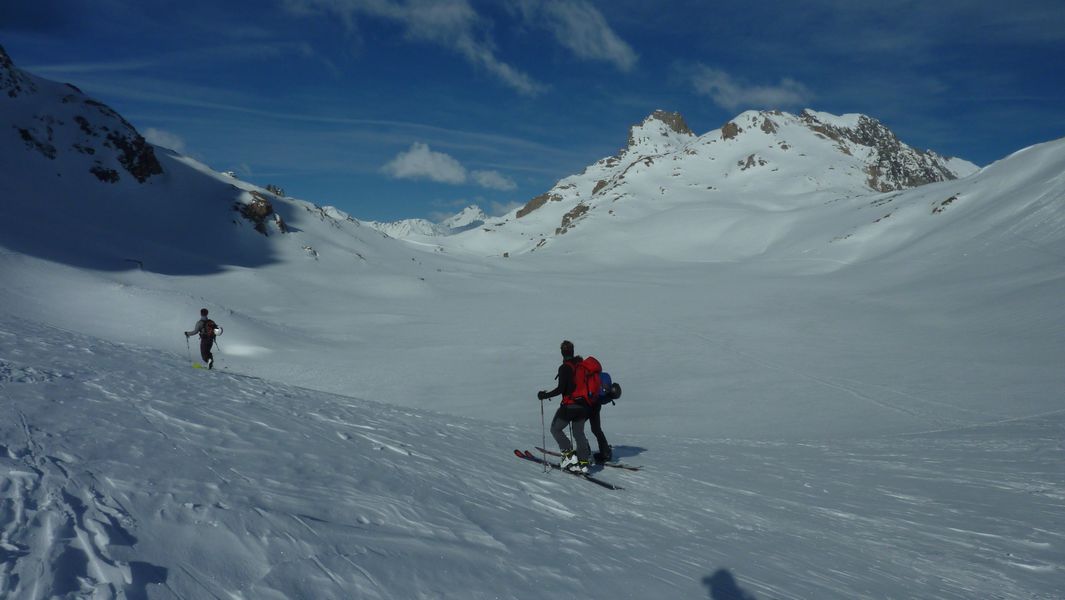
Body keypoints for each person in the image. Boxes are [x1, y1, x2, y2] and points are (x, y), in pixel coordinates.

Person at [538, 340, 592, 474]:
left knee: (555, 429)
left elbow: (561, 389)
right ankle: (583, 463)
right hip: (583, 406)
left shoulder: (564, 368)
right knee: (579, 434)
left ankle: (568, 455)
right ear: (572, 351)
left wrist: (544, 395)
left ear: (562, 353)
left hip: (570, 406)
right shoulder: (581, 366)